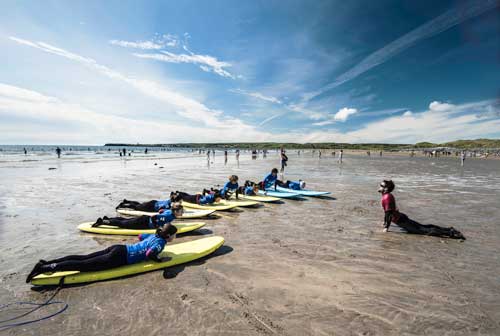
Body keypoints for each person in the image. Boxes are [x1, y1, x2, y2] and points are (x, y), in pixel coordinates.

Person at [26, 224, 177, 283]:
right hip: (119, 258)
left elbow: (139, 237)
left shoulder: (155, 235)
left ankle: (46, 263)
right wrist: (159, 261)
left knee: (83, 258)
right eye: (174, 235)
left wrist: (142, 248)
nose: (174, 238)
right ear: (168, 236)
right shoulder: (160, 243)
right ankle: (43, 269)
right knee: (82, 265)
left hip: (119, 248)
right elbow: (151, 253)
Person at [378, 180, 465, 239]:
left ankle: (451, 233)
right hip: (401, 218)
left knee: (424, 231)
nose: (379, 186)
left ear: (386, 189)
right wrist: (385, 222)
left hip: (401, 221)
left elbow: (388, 213)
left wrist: (386, 227)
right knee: (423, 227)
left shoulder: (387, 197)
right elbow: (388, 211)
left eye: (381, 185)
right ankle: (449, 229)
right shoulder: (387, 196)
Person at [93, 204, 183, 229]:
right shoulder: (169, 217)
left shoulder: (169, 211)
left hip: (144, 218)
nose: (182, 213)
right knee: (122, 224)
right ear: (175, 211)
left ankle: (108, 219)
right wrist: (158, 226)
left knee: (125, 220)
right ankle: (102, 222)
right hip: (144, 223)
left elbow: (161, 211)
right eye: (181, 212)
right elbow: (154, 217)